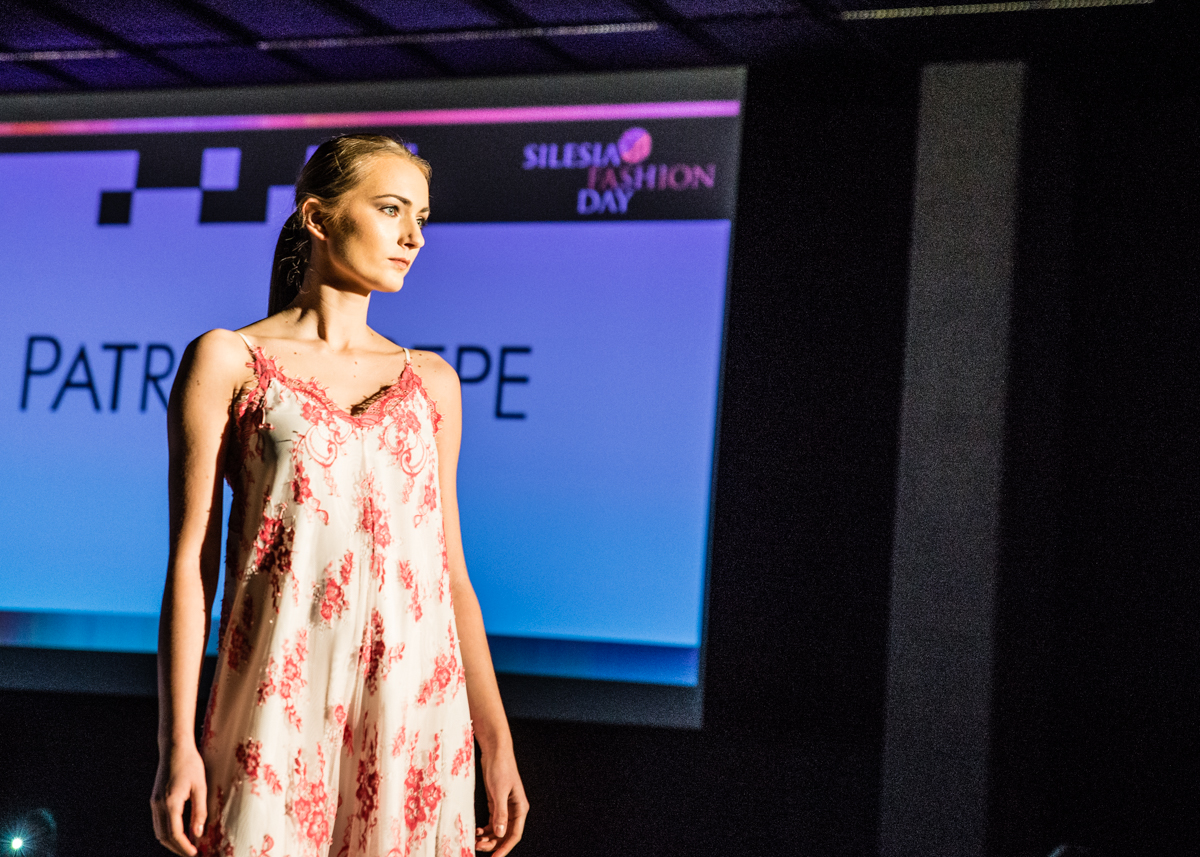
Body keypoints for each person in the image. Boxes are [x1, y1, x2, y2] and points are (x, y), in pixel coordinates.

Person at [150, 134, 528, 857]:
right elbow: (192, 563)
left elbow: (451, 576)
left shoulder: (432, 383)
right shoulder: (230, 359)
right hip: (275, 706)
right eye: (391, 209)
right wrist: (177, 744)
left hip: (414, 717)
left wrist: (497, 742)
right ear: (317, 217)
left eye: (422, 217)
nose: (414, 237)